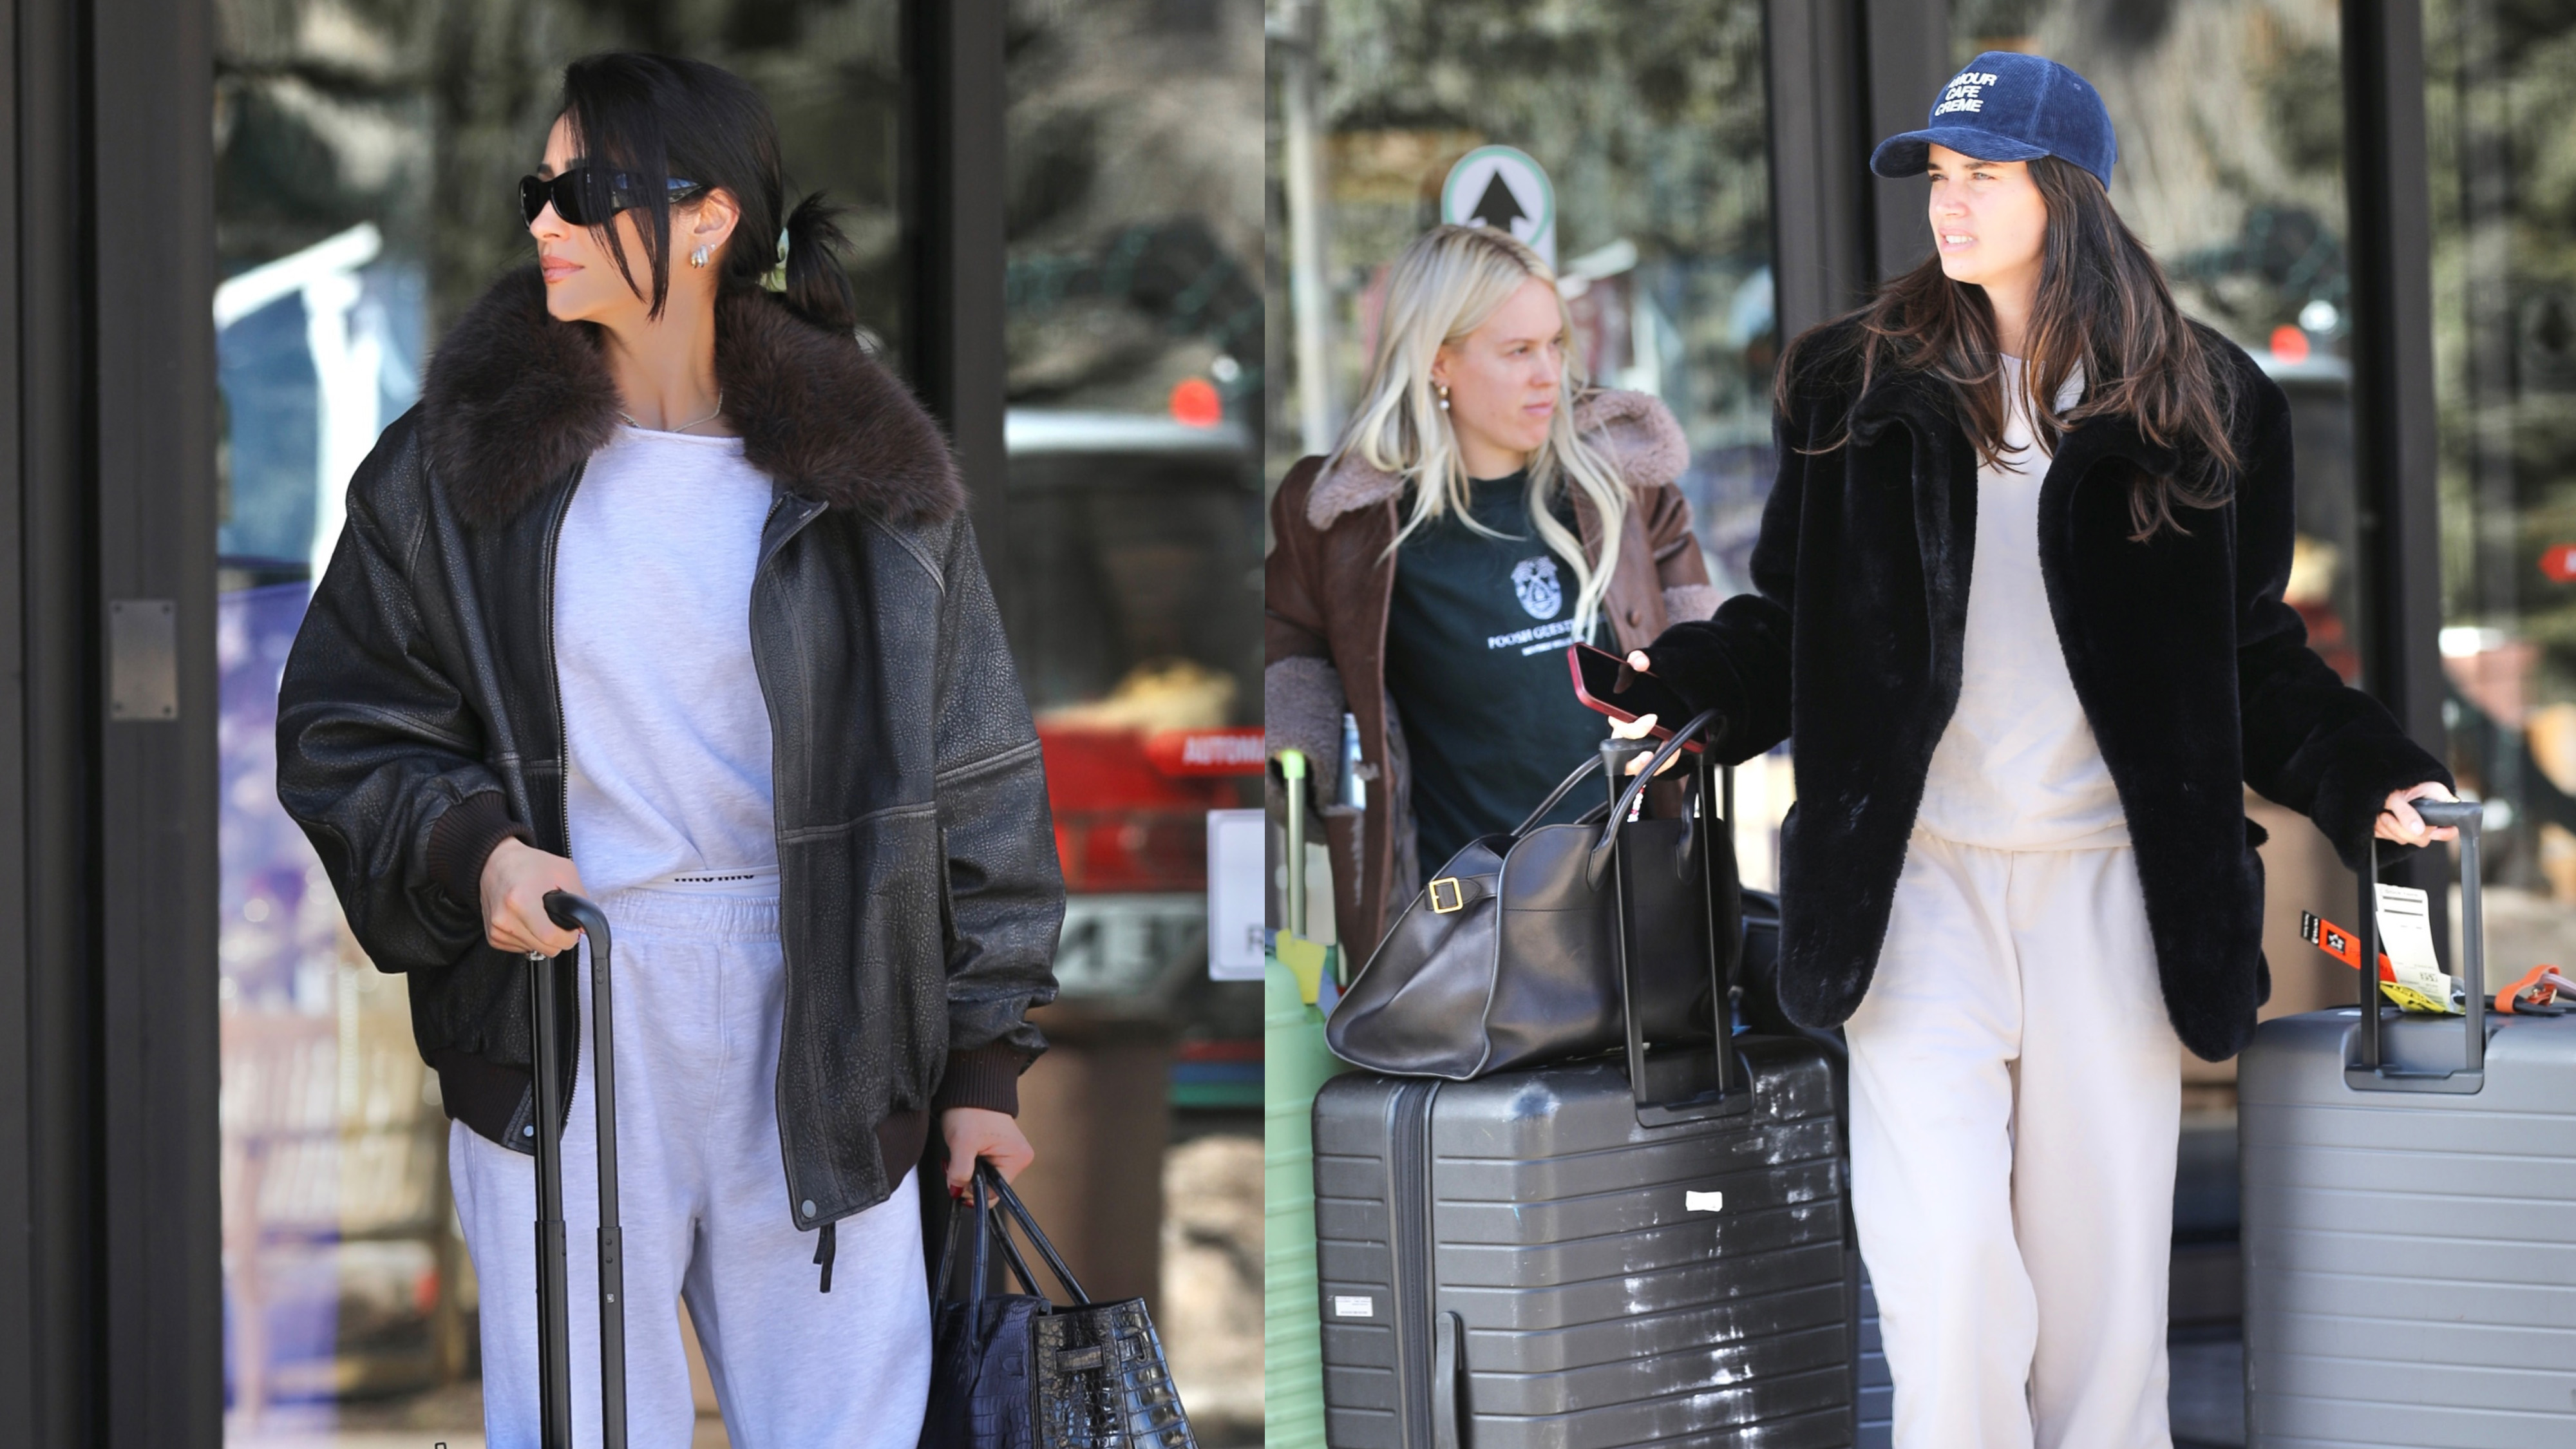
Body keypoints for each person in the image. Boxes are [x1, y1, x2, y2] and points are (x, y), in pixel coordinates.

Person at [1619, 53, 2456, 1449]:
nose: (1947, 208)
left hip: (2108, 900)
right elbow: (1791, 624)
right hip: (1915, 891)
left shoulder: (2202, 401)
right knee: (1944, 1290)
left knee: (2100, 1326)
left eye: (1982, 178)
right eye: (1939, 180)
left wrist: (2370, 772)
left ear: (2063, 194)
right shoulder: (1852, 384)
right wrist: (1685, 695)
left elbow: (2247, 658)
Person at [274, 53, 1061, 1448]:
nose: (542, 224)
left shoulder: (868, 481)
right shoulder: (457, 467)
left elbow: (976, 773)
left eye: (581, 190)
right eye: (539, 190)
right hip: (566, 1002)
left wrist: (985, 1063)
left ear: (707, 221)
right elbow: (345, 726)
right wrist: (475, 853)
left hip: (820, 1017)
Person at [1265, 223, 1715, 956]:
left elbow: (1701, 641)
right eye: (1517, 352)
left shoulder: (1624, 489)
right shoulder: (1352, 524)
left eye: (1555, 345)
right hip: (1460, 939)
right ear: (1439, 362)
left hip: (1637, 919)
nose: (1549, 374)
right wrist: (1308, 757)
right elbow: (1290, 644)